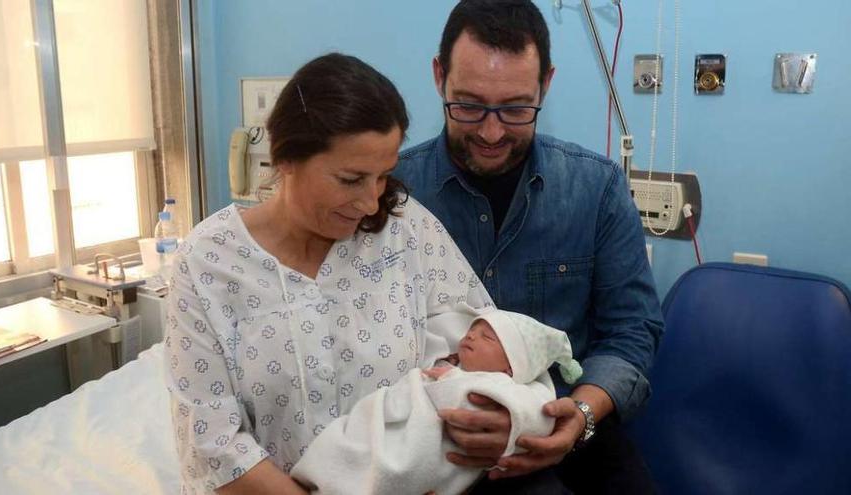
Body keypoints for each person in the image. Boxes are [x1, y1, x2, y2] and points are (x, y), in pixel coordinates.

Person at [164, 53, 494, 495]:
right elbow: (214, 444)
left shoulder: (404, 230)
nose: (371, 203)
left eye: (382, 177)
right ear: (286, 159)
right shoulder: (208, 263)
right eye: (351, 178)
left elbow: (486, 342)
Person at [393, 1, 665, 493]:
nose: (492, 132)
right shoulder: (390, 193)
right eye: (469, 106)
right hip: (432, 438)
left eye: (517, 108)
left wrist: (578, 415)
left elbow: (632, 331)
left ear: (546, 84)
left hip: (568, 431)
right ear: (439, 77)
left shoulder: (596, 187)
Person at [290, 307, 583, 495]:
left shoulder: (500, 386)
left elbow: (529, 413)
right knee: (359, 439)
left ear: (511, 366)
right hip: (400, 428)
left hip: (428, 453)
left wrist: (440, 382)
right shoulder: (457, 369)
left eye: (488, 339)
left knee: (387, 465)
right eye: (472, 331)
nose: (471, 338)